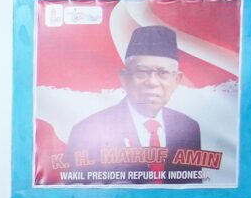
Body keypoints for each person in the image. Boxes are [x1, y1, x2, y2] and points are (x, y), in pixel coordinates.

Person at [60, 25, 204, 186]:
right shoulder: (87, 130)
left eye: (163, 73)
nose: (152, 82)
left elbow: (193, 189)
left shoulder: (188, 128)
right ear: (124, 78)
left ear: (177, 80)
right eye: (142, 72)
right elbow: (77, 194)